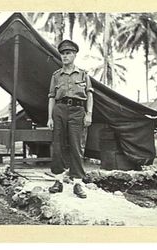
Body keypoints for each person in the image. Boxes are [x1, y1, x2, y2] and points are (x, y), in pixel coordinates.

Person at [47, 39, 94, 199]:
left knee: (76, 145)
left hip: (77, 110)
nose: (65, 56)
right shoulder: (56, 76)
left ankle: (78, 183)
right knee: (57, 144)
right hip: (59, 110)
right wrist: (50, 118)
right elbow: (52, 97)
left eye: (68, 53)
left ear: (74, 55)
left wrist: (89, 114)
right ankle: (58, 180)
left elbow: (89, 95)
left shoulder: (83, 74)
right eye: (63, 54)